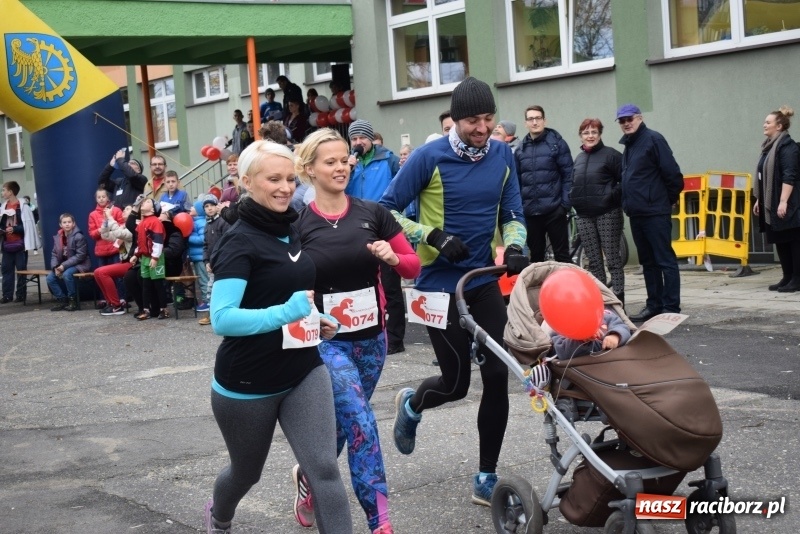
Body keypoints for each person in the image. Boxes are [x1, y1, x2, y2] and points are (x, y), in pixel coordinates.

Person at [379, 76, 528, 506]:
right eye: (471, 121)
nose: (481, 128)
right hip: (437, 284)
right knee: (456, 382)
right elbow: (387, 212)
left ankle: (486, 475)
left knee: (498, 374)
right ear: (454, 119)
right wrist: (433, 235)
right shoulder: (429, 157)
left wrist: (515, 243)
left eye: (487, 119)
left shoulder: (502, 153)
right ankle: (411, 406)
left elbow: (513, 211)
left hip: (481, 279)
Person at [203, 140, 352, 534]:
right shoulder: (237, 241)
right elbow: (223, 319)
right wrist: (287, 313)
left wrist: (317, 318)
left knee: (324, 469)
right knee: (245, 473)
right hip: (248, 382)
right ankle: (219, 518)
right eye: (274, 179)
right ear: (247, 181)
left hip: (303, 369)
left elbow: (290, 291)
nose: (286, 187)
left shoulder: (290, 228)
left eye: (290, 178)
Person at [293, 128, 421, 534]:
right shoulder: (297, 226)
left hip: (373, 340)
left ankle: (310, 478)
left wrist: (392, 256)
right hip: (326, 343)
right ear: (310, 169)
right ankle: (380, 522)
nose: (341, 166)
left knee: (346, 423)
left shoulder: (373, 213)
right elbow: (283, 281)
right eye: (329, 161)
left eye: (344, 158)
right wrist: (303, 298)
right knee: (362, 422)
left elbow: (413, 265)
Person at [616, 104, 683, 322]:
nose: (626, 123)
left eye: (629, 119)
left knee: (664, 260)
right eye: (622, 121)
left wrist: (667, 200)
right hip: (637, 213)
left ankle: (671, 306)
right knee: (648, 262)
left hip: (655, 212)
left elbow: (673, 174)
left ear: (640, 118)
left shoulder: (653, 140)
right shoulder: (629, 146)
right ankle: (653, 305)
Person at [345, 120, 405, 354]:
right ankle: (369, 333)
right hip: (356, 229)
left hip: (383, 228)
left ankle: (396, 339)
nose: (358, 142)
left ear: (371, 139)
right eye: (354, 139)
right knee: (362, 284)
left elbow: (402, 190)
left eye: (362, 138)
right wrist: (348, 168)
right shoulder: (349, 163)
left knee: (390, 286)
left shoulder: (387, 160)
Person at [570, 118, 625, 304]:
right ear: (581, 136)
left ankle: (619, 303)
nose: (590, 136)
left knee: (613, 261)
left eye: (594, 132)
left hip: (607, 213)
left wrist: (610, 196)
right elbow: (572, 183)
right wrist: (572, 197)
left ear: (600, 134)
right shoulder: (578, 159)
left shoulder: (611, 155)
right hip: (584, 216)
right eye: (586, 132)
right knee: (594, 263)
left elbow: (625, 180)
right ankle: (602, 304)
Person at [515, 105, 574, 263]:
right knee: (536, 259)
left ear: (544, 120)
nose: (534, 122)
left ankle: (565, 288)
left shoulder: (557, 144)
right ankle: (540, 288)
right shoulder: (520, 149)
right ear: (525, 123)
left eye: (538, 118)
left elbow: (569, 175)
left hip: (554, 211)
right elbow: (517, 181)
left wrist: (564, 206)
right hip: (531, 213)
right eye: (530, 119)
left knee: (562, 257)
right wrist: (521, 207)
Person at [753, 106, 800, 292]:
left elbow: (790, 176)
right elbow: (762, 175)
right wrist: (759, 199)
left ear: (779, 126)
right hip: (772, 200)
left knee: (793, 240)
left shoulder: (788, 147)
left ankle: (797, 279)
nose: (764, 125)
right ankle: (787, 276)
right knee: (780, 239)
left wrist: (783, 201)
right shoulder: (768, 148)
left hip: (789, 202)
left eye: (768, 122)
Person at [1, 181, 42, 303]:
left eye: (4, 190)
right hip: (7, 244)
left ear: (11, 192)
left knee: (21, 270)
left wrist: (14, 228)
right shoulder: (3, 207)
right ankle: (7, 295)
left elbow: (28, 226)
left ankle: (21, 295)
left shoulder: (23, 207)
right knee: (6, 270)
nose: (2, 192)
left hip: (20, 244)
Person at [131, 197, 169, 320]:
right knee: (146, 284)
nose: (143, 202)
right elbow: (140, 242)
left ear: (153, 209)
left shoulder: (155, 222)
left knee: (158, 284)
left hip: (155, 257)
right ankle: (146, 309)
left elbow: (158, 241)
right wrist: (135, 255)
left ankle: (164, 309)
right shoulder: (141, 223)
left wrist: (155, 257)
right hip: (144, 257)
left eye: (147, 202)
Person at [546, 307, 631, 360]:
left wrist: (615, 336)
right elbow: (560, 352)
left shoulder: (604, 315)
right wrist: (580, 338)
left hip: (616, 360)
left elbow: (623, 327)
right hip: (586, 368)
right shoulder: (560, 325)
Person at [46, 213, 91, 312]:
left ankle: (72, 301)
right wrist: (55, 267)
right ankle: (62, 299)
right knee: (50, 278)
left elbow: (80, 256)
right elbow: (54, 254)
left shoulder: (79, 236)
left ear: (73, 224)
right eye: (64, 222)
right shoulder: (58, 237)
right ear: (60, 224)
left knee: (67, 274)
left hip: (80, 264)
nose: (67, 224)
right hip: (63, 265)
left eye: (69, 222)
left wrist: (63, 266)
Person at [96, 204, 134, 316]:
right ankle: (111, 303)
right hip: (125, 262)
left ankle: (117, 305)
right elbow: (106, 236)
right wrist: (106, 220)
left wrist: (111, 218)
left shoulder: (134, 227)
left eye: (127, 209)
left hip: (133, 263)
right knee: (97, 272)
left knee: (102, 272)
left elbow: (119, 233)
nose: (123, 211)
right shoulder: (123, 226)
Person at [199, 196, 230, 325]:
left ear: (217, 206)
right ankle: (213, 314)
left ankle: (222, 315)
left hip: (223, 262)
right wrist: (206, 262)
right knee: (210, 290)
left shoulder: (223, 222)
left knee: (222, 289)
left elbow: (227, 243)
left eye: (212, 205)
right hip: (212, 264)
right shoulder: (207, 225)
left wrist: (220, 260)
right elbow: (205, 245)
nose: (209, 208)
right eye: (206, 206)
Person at [188, 198, 210, 312]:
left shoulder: (200, 222)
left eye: (193, 207)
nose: (190, 208)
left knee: (203, 279)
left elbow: (203, 239)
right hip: (197, 256)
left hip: (201, 256)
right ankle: (206, 300)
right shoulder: (195, 221)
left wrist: (188, 237)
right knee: (202, 278)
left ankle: (207, 302)